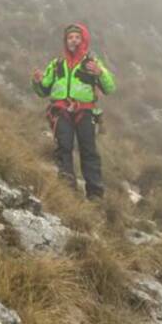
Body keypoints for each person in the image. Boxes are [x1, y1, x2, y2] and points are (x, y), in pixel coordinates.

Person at [32, 23, 116, 199]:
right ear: (65, 41)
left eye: (77, 37)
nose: (74, 40)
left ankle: (95, 194)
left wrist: (100, 73)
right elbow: (43, 91)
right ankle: (67, 190)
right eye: (70, 37)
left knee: (89, 151)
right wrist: (38, 81)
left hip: (85, 112)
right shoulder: (57, 64)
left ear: (84, 40)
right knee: (63, 148)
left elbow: (110, 88)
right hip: (61, 111)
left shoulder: (91, 63)